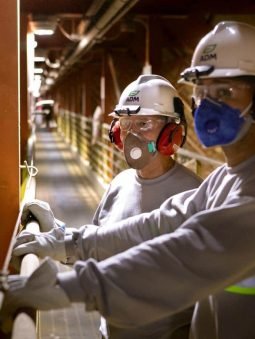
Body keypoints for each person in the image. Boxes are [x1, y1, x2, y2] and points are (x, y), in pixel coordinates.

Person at [2, 20, 255, 339]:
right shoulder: (222, 179)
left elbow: (181, 257)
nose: (207, 105)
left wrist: (67, 286)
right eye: (202, 92)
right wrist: (67, 241)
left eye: (226, 92)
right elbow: (156, 224)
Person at [9, 75, 202, 339]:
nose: (132, 134)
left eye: (144, 123)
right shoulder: (119, 184)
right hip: (109, 331)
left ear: (171, 132)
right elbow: (102, 242)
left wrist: (65, 280)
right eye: (125, 123)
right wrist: (59, 232)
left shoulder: (192, 195)